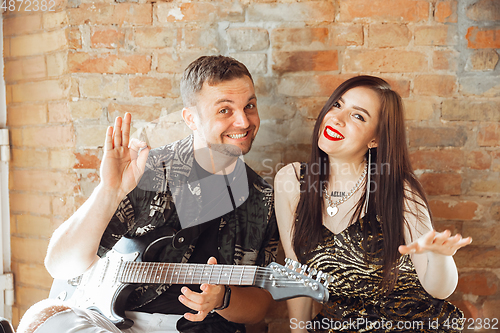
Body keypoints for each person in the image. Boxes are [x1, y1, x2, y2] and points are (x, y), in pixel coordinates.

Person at [18, 55, 279, 333]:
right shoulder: (147, 170)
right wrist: (109, 190)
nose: (243, 121)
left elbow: (260, 306)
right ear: (191, 118)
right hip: (112, 324)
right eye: (224, 110)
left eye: (249, 106)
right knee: (52, 324)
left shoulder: (261, 197)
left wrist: (223, 298)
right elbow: (61, 266)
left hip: (203, 329)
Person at [274, 75, 472, 333]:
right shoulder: (291, 181)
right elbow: (297, 274)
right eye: (337, 105)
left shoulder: (398, 189)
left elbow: (439, 289)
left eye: (358, 116)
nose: (337, 118)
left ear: (375, 139)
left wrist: (437, 256)